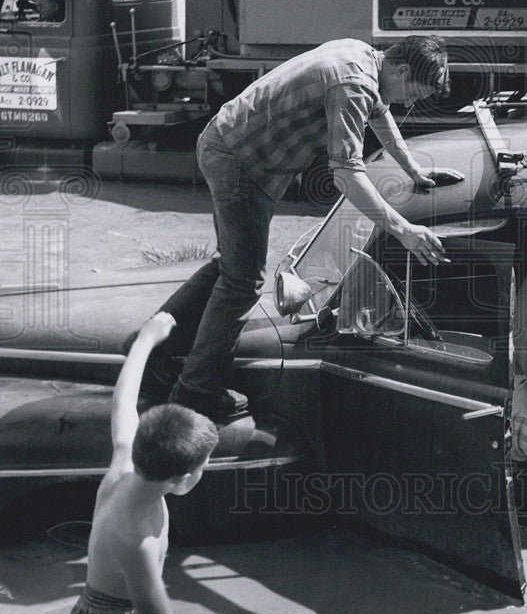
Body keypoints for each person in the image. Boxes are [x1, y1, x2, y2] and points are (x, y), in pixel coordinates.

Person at [152, 35, 463, 422]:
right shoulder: (353, 85)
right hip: (239, 161)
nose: (409, 104)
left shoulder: (364, 56)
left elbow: (379, 113)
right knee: (242, 282)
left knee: (229, 267)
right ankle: (194, 390)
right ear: (400, 70)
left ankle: (156, 351)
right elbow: (347, 174)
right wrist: (402, 228)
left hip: (230, 145)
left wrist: (413, 169)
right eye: (412, 93)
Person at [66, 312, 219, 614]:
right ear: (183, 480)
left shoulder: (124, 465)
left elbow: (123, 402)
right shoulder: (140, 541)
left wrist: (145, 340)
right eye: (204, 466)